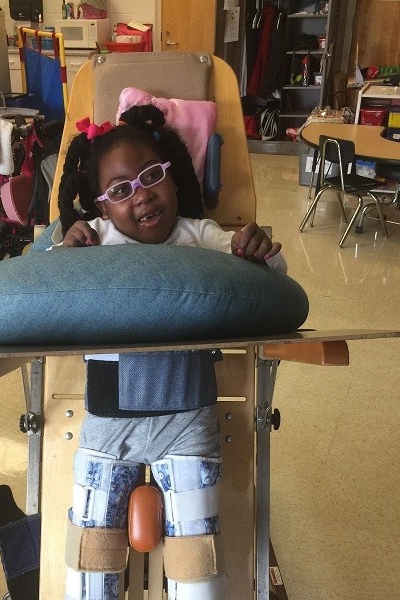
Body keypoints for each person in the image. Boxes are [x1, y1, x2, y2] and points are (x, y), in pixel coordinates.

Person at [55, 105, 285, 600]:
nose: (142, 196)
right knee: (90, 557)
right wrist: (63, 249)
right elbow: (45, 289)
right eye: (120, 190)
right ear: (101, 207)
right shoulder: (92, 245)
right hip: (107, 424)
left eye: (152, 176)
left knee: (196, 562)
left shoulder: (200, 238)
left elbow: (268, 279)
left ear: (175, 178)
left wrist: (261, 249)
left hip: (186, 422)